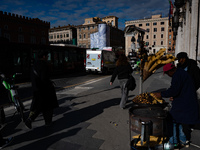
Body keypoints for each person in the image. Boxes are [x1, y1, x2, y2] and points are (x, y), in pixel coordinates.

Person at [154, 63, 199, 149]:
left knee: (172, 120)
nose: (168, 75)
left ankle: (173, 143)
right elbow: (179, 88)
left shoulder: (177, 76)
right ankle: (183, 141)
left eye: (167, 73)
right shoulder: (181, 73)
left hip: (184, 102)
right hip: (186, 99)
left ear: (171, 71)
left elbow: (174, 90)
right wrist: (175, 96)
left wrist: (161, 94)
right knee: (179, 121)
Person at [25, 50, 59, 129]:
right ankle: (47, 122)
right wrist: (50, 84)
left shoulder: (35, 64)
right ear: (43, 56)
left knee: (40, 106)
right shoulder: (44, 65)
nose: (47, 57)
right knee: (48, 107)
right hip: (44, 90)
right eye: (47, 56)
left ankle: (30, 119)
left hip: (36, 89)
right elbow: (44, 78)